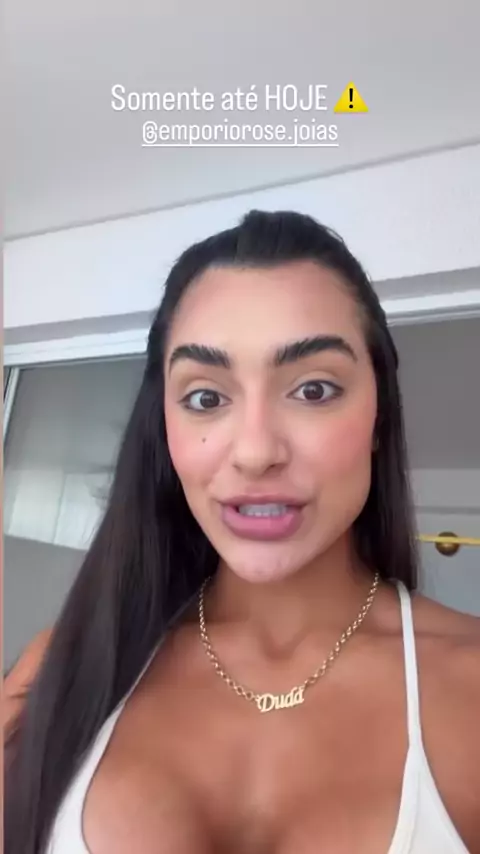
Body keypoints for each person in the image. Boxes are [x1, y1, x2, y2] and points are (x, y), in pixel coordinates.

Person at [5, 210, 480, 854]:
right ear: (164, 427)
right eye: (206, 398)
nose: (256, 453)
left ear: (379, 416)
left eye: (314, 389)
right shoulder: (66, 667)